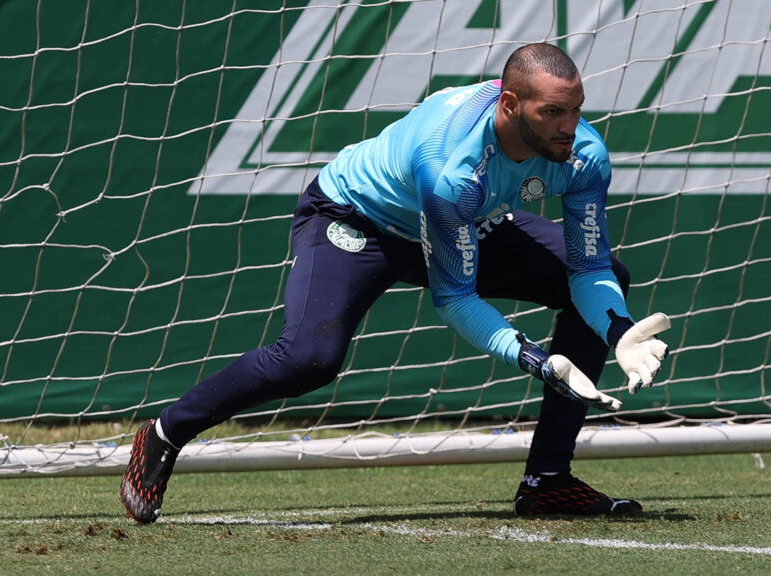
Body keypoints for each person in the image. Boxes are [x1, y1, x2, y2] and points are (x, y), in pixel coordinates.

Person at [120, 43, 671, 524]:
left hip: (471, 220)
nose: (569, 127)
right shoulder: (452, 164)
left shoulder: (581, 156)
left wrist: (617, 327)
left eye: (575, 110)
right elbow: (453, 295)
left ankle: (548, 481)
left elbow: (589, 266)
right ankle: (165, 433)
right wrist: (531, 358)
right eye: (553, 112)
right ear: (510, 105)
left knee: (610, 281)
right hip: (359, 218)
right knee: (310, 357)